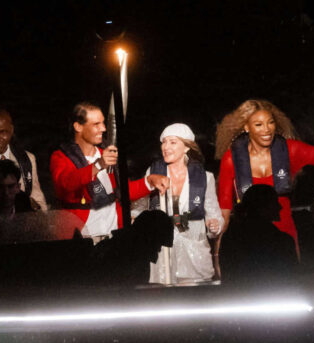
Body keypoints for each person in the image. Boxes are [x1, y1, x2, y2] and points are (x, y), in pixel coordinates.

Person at [216, 83, 314, 256]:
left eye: (270, 122)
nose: (266, 129)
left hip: (284, 236)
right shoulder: (232, 159)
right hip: (248, 238)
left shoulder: (290, 150)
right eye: (258, 124)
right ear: (247, 128)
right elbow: (224, 211)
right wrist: (217, 256)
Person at [50, 102, 169, 243]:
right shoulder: (61, 157)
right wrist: (98, 165)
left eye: (103, 123)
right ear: (78, 127)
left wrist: (149, 181)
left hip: (113, 233)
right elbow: (67, 183)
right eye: (96, 124)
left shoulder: (106, 154)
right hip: (82, 236)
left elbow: (121, 192)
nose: (103, 128)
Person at [133, 124, 224, 284]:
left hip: (193, 249)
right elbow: (138, 208)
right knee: (161, 296)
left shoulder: (205, 177)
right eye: (164, 142)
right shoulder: (153, 173)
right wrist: (135, 219)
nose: (166, 147)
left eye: (173, 142)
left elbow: (213, 213)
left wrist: (214, 224)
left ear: (187, 147)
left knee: (193, 297)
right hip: (162, 247)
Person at [219, 184, 298, 286]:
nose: (280, 207)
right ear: (263, 206)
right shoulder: (282, 242)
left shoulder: (230, 238)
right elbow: (291, 279)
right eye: (275, 202)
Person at [89, 210, 174, 286]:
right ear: (150, 237)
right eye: (158, 244)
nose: (158, 250)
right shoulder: (128, 256)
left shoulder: (132, 252)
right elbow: (128, 292)